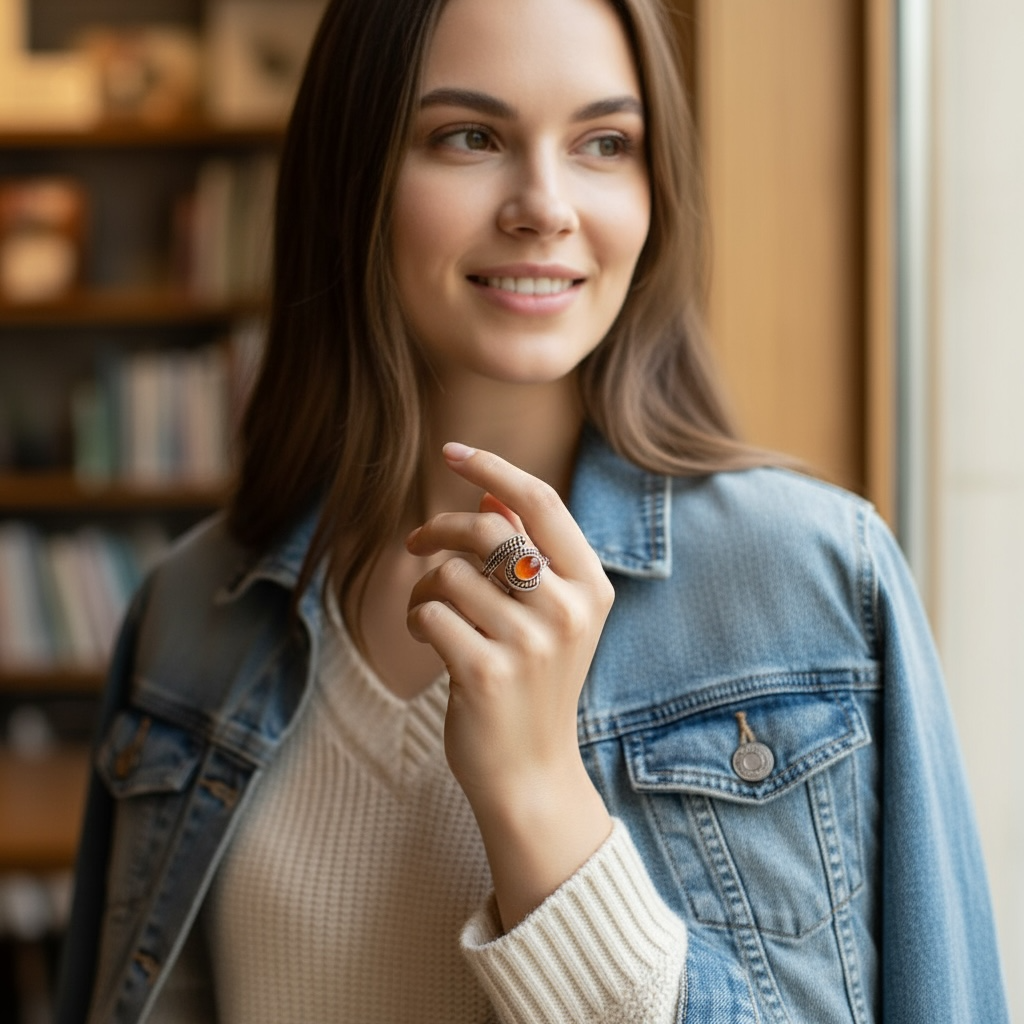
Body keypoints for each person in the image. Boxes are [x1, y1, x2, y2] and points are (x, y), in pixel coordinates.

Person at [55, 0, 1009, 1021]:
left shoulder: (814, 581)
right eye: (469, 136)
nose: (545, 205)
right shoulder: (188, 614)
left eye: (605, 142)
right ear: (353, 174)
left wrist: (538, 796)